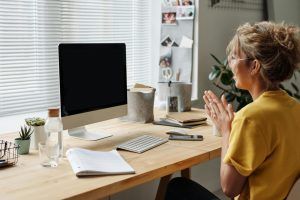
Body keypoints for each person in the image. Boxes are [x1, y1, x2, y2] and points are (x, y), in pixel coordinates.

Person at [165, 21, 300, 200]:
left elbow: (229, 188)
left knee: (177, 187)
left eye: (234, 58)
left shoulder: (250, 118)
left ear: (254, 66)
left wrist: (226, 130)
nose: (229, 65)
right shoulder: (294, 106)